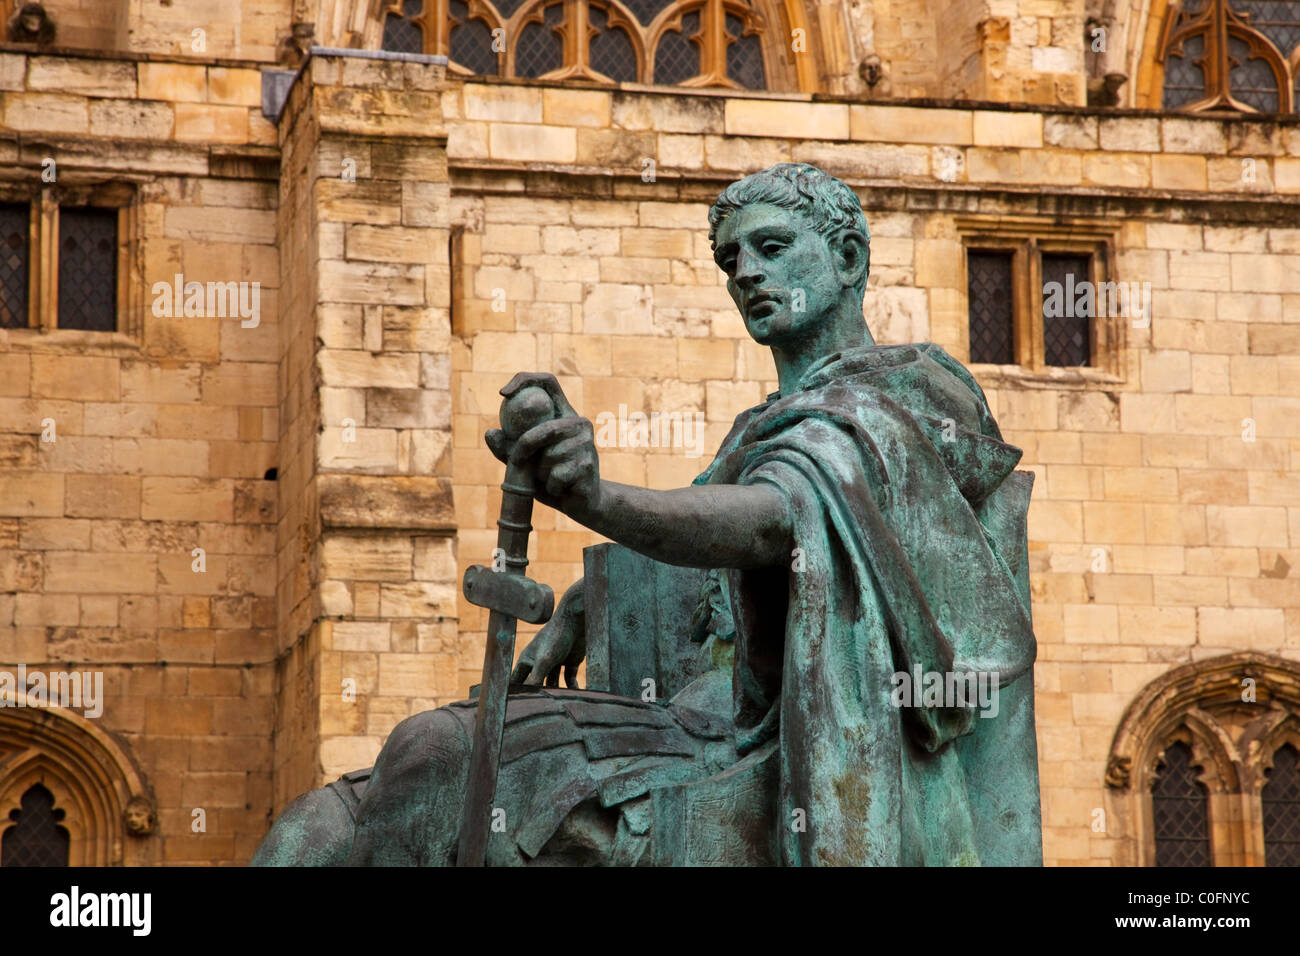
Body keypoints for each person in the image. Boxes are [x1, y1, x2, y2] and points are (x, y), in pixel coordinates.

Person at [253, 163, 1040, 867]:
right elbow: (702, 548)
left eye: (771, 248)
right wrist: (586, 603)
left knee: (430, 759)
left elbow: (770, 521)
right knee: (316, 829)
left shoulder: (903, 401)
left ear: (848, 260)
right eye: (731, 260)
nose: (747, 275)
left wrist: (598, 500)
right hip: (695, 716)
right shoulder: (765, 425)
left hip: (782, 750)